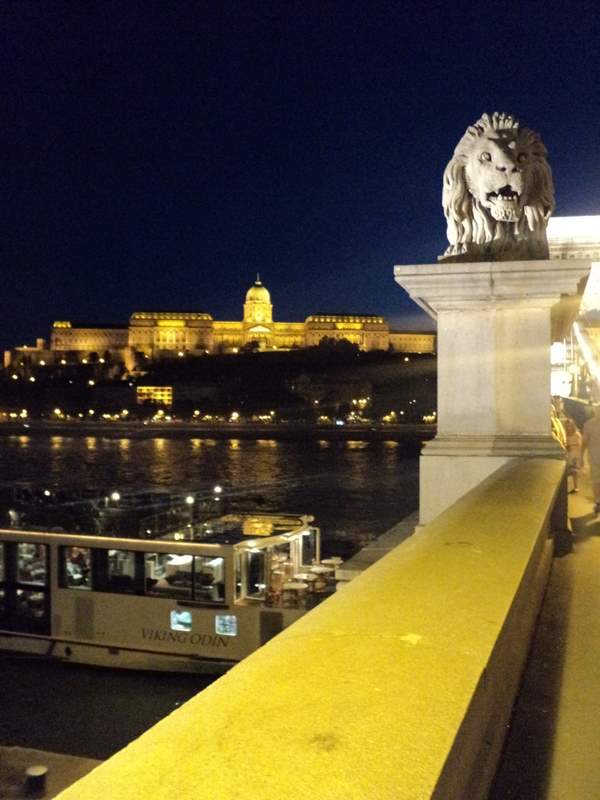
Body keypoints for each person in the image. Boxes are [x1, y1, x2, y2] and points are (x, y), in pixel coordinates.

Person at [582, 406, 600, 512]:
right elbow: (584, 443)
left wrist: (581, 457)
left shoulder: (588, 424)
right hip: (594, 456)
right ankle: (598, 501)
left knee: (596, 480)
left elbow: (584, 443)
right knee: (596, 480)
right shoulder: (588, 425)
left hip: (594, 456)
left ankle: (598, 501)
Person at [564, 418, 583, 493]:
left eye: (570, 426)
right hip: (568, 454)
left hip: (575, 454)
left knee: (574, 472)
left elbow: (579, 444)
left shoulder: (576, 434)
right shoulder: (565, 434)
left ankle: (576, 487)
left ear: (573, 426)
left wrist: (570, 446)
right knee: (567, 472)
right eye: (567, 426)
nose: (569, 428)